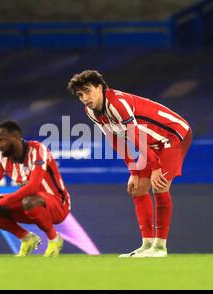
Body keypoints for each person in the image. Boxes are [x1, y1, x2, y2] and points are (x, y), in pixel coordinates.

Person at [67, 70, 192, 258]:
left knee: (159, 185)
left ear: (100, 87)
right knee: (138, 188)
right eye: (80, 95)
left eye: (87, 91)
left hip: (172, 136)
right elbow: (115, 139)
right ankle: (147, 245)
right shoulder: (91, 111)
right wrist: (133, 170)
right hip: (150, 142)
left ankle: (160, 248)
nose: (85, 98)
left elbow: (135, 136)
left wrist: (156, 167)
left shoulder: (117, 103)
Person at [0, 120, 71, 257]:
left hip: (58, 205)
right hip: (29, 205)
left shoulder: (38, 150)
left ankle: (54, 239)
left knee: (28, 200)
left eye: (2, 140)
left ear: (15, 138)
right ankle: (27, 238)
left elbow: (32, 188)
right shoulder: (3, 159)